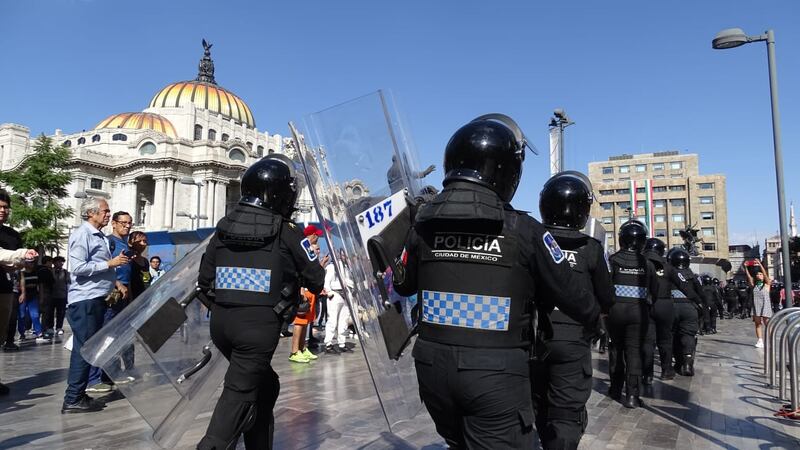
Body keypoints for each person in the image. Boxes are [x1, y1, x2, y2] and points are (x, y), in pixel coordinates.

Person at [393, 116, 600, 448]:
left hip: (431, 369)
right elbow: (576, 298)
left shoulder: (422, 226)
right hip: (496, 377)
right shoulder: (526, 232)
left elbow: (403, 286)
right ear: (507, 172)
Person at [197, 154, 325, 449]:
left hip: (221, 325)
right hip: (257, 330)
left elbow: (204, 283)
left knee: (266, 387)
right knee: (237, 396)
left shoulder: (223, 227)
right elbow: (315, 279)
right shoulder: (287, 231)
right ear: (282, 194)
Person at [533, 171, 613, 450]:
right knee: (566, 411)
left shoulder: (533, 239)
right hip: (573, 338)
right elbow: (606, 297)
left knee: (536, 401)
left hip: (533, 336)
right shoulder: (591, 248)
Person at [62, 197, 129, 413]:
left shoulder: (98, 236)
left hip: (97, 297)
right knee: (83, 349)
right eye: (105, 211)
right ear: (91, 213)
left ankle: (77, 395)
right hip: (85, 299)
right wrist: (110, 263)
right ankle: (73, 398)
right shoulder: (83, 235)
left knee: (88, 347)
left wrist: (114, 280)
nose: (108, 214)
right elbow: (78, 267)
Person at [606, 220, 658, 409]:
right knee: (634, 352)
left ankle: (614, 388)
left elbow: (604, 287)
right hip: (638, 311)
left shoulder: (612, 260)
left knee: (616, 350)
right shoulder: (647, 264)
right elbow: (655, 290)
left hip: (615, 311)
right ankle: (632, 396)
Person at [87, 210, 134, 394]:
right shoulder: (110, 242)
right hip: (111, 294)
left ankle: (109, 374)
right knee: (104, 336)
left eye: (129, 223)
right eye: (123, 223)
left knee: (115, 336)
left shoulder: (123, 242)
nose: (127, 226)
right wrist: (118, 284)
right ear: (113, 223)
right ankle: (94, 377)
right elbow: (106, 265)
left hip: (123, 295)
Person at [641, 237, 677, 382]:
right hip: (665, 305)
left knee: (648, 341)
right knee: (665, 340)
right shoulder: (668, 267)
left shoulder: (641, 263)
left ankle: (647, 374)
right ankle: (666, 370)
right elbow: (683, 284)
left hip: (647, 304)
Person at [667, 248, 704, 376]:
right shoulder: (693, 277)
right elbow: (701, 294)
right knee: (688, 335)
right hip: (689, 308)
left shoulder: (668, 274)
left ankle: (676, 362)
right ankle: (687, 363)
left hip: (671, 307)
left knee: (672, 336)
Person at [322, 252, 354, 355]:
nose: (344, 256)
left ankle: (342, 343)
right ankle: (328, 344)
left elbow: (350, 281)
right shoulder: (332, 266)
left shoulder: (347, 268)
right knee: (332, 320)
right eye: (343, 254)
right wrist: (329, 293)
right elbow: (326, 281)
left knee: (344, 321)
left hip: (346, 295)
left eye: (345, 254)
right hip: (335, 294)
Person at [744, 259, 771, 348]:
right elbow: (749, 277)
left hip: (765, 305)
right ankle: (760, 340)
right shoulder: (754, 285)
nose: (759, 275)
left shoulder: (767, 284)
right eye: (757, 274)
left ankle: (770, 338)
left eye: (760, 274)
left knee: (767, 323)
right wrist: (746, 267)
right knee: (757, 323)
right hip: (756, 306)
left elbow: (766, 274)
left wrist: (760, 264)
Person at [43, 256, 69, 337]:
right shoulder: (50, 271)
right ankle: (50, 327)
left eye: (62, 262)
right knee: (50, 312)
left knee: (61, 313)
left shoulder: (65, 272)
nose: (61, 263)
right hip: (51, 295)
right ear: (54, 263)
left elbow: (68, 283)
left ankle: (59, 327)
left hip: (62, 295)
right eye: (58, 261)